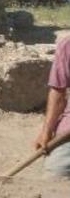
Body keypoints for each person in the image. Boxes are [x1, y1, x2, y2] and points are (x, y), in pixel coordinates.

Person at [34, 36, 70, 177]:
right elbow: (58, 92)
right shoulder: (67, 45)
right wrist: (46, 131)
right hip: (68, 133)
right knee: (55, 175)